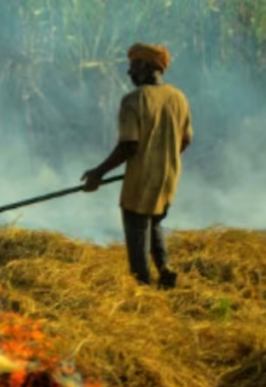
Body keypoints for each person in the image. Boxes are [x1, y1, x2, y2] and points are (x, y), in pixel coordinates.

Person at [82, 42, 192, 290]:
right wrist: (163, 158)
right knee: (155, 221)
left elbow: (129, 146)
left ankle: (142, 284)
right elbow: (185, 140)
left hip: (141, 180)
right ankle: (164, 268)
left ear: (146, 66)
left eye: (133, 66)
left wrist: (97, 173)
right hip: (169, 178)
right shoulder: (179, 98)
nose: (130, 73)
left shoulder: (135, 100)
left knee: (136, 229)